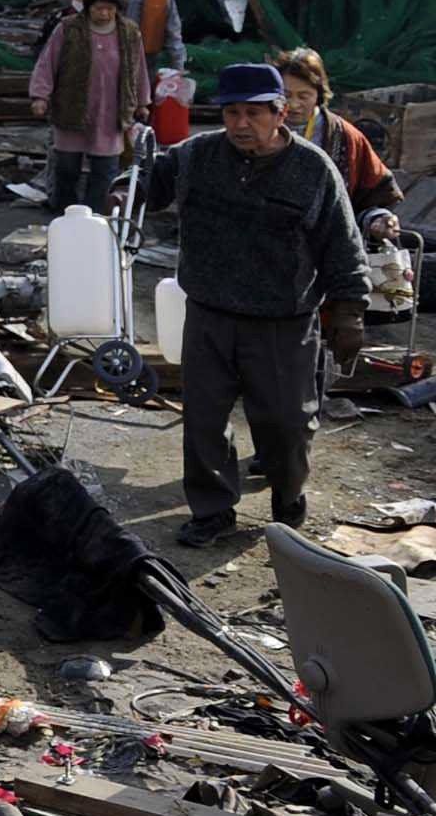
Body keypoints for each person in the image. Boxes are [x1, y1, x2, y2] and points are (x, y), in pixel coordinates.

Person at [144, 65, 371, 548]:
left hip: (282, 320)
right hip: (210, 312)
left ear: (279, 112)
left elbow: (343, 244)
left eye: (253, 113)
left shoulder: (312, 170)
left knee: (287, 422)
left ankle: (288, 496)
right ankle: (212, 509)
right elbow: (151, 180)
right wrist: (127, 185)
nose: (241, 124)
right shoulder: (198, 155)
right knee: (204, 418)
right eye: (232, 113)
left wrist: (350, 311)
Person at [30, 0, 149, 217]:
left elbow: (139, 69)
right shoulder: (68, 28)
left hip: (111, 112)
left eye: (110, 9)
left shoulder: (129, 33)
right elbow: (47, 63)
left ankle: (94, 216)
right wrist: (40, 96)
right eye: (99, 8)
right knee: (67, 167)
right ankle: (64, 213)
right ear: (88, 5)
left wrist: (142, 102)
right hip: (71, 107)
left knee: (105, 170)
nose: (104, 14)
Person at [275, 46, 405, 235]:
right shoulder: (259, 131)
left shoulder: (345, 136)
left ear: (319, 93)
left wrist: (377, 219)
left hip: (326, 244)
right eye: (286, 95)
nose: (294, 105)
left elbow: (375, 193)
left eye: (304, 96)